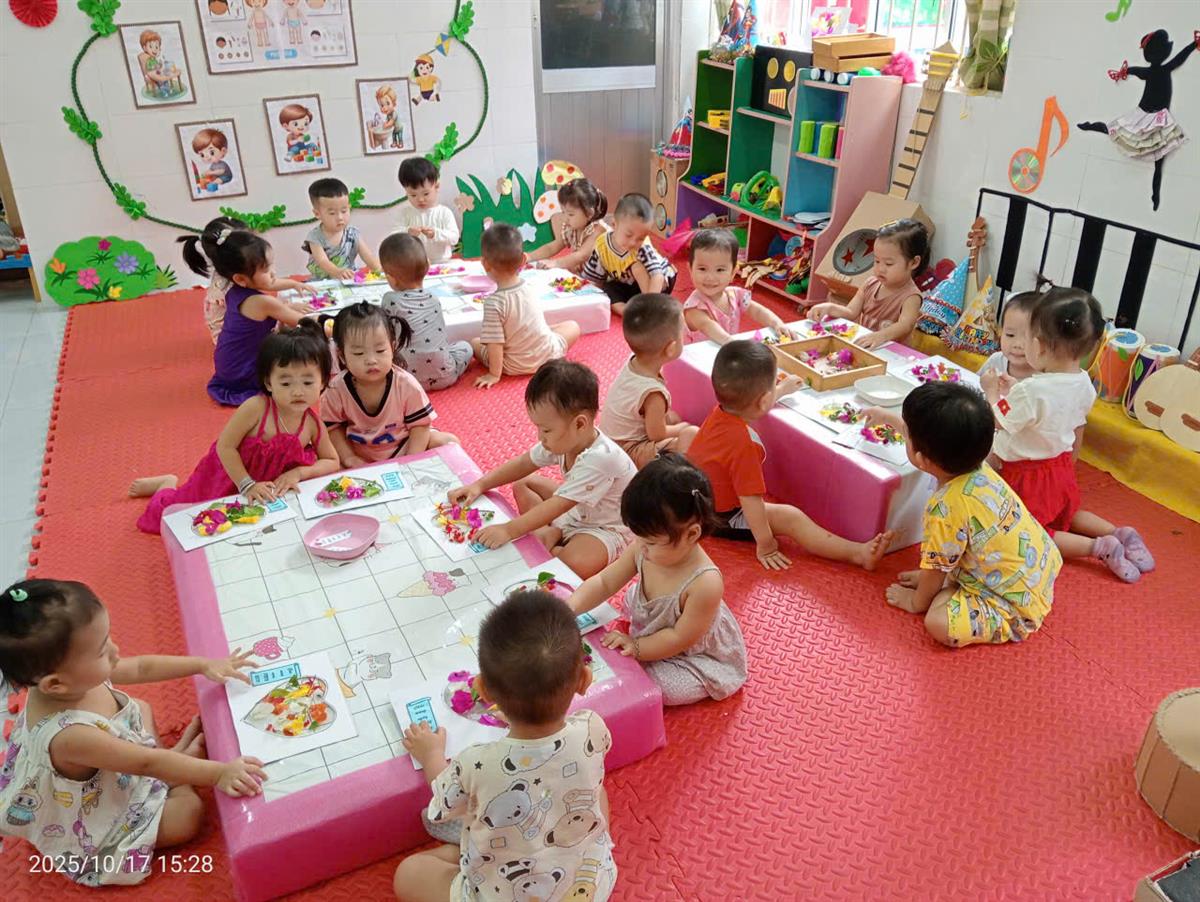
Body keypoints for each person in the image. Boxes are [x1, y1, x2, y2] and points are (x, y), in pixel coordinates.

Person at [0, 579, 266, 886]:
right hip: (98, 809)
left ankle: (175, 766)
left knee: (140, 707)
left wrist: (203, 665)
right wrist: (219, 773)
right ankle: (178, 780)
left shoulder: (69, 677)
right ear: (55, 684)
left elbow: (141, 668)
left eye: (108, 638)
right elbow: (146, 763)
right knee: (188, 814)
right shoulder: (70, 737)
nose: (115, 651)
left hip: (117, 764)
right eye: (102, 650)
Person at [394, 589, 616, 902]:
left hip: (500, 892)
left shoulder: (475, 763)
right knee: (596, 789)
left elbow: (443, 802)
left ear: (483, 691)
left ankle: (465, 855)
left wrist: (431, 754)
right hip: (587, 887)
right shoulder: (592, 727)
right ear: (584, 679)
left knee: (409, 873)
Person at [866, 383, 1063, 646]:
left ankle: (952, 591)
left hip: (1011, 605)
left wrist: (917, 601)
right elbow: (924, 441)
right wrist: (886, 417)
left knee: (938, 623)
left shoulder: (945, 508)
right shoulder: (977, 463)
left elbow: (936, 567)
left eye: (906, 433)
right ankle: (951, 584)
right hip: (1037, 569)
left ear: (922, 459)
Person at [980, 287, 1154, 582]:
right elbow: (1052, 412)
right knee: (1068, 513)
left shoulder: (1031, 390)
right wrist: (1014, 393)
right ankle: (1119, 532)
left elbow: (999, 420)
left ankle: (1099, 547)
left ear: (1039, 345)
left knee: (1030, 529)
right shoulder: (1083, 382)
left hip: (1025, 474)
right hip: (1059, 467)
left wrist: (992, 392)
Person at [688, 340, 893, 571]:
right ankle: (857, 554)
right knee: (791, 518)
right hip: (720, 517)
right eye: (774, 385)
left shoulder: (722, 412)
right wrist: (765, 543)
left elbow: (753, 406)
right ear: (763, 400)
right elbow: (750, 500)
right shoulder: (744, 444)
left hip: (700, 502)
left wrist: (781, 390)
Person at [568, 454, 746, 705]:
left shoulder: (705, 584)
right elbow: (605, 582)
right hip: (658, 620)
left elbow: (678, 637)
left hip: (689, 651)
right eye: (638, 537)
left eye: (651, 542)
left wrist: (636, 646)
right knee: (631, 603)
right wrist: (570, 608)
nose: (641, 546)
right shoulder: (644, 546)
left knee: (662, 688)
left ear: (691, 534)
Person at [130, 322, 339, 533]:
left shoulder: (312, 423)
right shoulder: (256, 408)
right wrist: (246, 484)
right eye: (285, 384)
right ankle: (166, 484)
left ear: (322, 382)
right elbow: (225, 446)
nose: (297, 392)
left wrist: (299, 473)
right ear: (269, 383)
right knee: (178, 518)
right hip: (229, 477)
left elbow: (332, 461)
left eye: (307, 382)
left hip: (266, 492)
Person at [448, 360, 636, 579]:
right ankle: (548, 533)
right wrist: (480, 485)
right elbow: (524, 463)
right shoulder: (566, 440)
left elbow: (558, 505)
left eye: (546, 430)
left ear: (580, 424)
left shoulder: (602, 458)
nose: (540, 437)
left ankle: (550, 539)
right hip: (575, 509)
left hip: (605, 527)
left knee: (572, 565)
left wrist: (508, 530)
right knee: (524, 483)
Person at [179, 225, 315, 405]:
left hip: (228, 368)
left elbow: (271, 290)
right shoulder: (262, 302)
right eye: (265, 269)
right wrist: (334, 321)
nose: (273, 272)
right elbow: (305, 322)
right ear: (241, 279)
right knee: (301, 352)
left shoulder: (233, 291)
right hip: (242, 374)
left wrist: (289, 298)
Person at [321, 303, 458, 467]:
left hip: (405, 445)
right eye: (359, 353)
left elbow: (420, 427)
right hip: (359, 452)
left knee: (447, 442)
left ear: (392, 348)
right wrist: (349, 458)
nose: (371, 360)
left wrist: (411, 460)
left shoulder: (406, 384)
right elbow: (332, 428)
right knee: (323, 461)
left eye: (380, 351)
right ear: (342, 356)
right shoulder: (336, 388)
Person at [472, 223, 581, 389]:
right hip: (547, 356)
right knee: (573, 326)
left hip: (514, 365)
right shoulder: (530, 286)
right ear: (524, 259)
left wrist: (494, 374)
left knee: (475, 343)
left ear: (485, 264)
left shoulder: (493, 303)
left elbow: (495, 343)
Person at [598, 292, 698, 468]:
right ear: (671, 348)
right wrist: (681, 429)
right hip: (626, 453)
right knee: (691, 434)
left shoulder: (634, 362)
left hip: (607, 442)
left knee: (672, 417)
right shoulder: (653, 393)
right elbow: (657, 435)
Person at [180, 217, 313, 346]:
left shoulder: (233, 274)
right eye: (266, 268)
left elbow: (270, 283)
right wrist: (287, 308)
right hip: (232, 340)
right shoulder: (236, 294)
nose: (274, 272)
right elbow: (301, 322)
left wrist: (294, 284)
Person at [808, 218, 929, 350]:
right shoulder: (870, 284)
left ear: (913, 262)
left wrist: (880, 336)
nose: (880, 269)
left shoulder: (911, 296)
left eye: (888, 264)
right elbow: (850, 312)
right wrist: (829, 308)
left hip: (891, 353)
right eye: (876, 261)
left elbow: (905, 325)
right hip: (866, 347)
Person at [378, 233, 472, 391]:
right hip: (446, 376)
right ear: (428, 266)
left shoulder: (390, 300)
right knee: (465, 346)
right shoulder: (434, 298)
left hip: (407, 380)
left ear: (391, 279)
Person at [682, 228, 788, 344]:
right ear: (690, 270)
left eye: (720, 270)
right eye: (702, 269)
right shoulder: (694, 307)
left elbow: (757, 311)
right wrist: (734, 345)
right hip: (701, 355)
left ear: (733, 273)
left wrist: (777, 323)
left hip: (727, 350)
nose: (710, 277)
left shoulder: (735, 295)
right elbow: (707, 326)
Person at [580, 193, 676, 315]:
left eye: (641, 238)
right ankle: (628, 311)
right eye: (628, 235)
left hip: (658, 283)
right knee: (607, 288)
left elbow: (657, 276)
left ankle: (649, 307)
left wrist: (651, 303)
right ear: (614, 225)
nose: (633, 242)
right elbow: (593, 279)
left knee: (636, 267)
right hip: (629, 284)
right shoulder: (602, 245)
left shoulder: (643, 247)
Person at [302, 177, 382, 280]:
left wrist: (380, 270)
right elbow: (322, 261)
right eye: (332, 213)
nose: (340, 217)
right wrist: (338, 272)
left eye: (344, 211)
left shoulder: (353, 233)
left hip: (349, 279)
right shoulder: (315, 237)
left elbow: (368, 257)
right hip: (323, 282)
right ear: (317, 214)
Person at [527, 178, 611, 274]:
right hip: (585, 274)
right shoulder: (572, 228)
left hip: (608, 279)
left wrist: (555, 263)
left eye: (571, 214)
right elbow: (551, 247)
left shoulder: (598, 230)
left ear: (589, 213)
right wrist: (529, 256)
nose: (565, 218)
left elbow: (581, 255)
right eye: (563, 212)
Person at [393, 157, 459, 262]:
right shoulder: (405, 213)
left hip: (442, 262)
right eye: (413, 195)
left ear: (436, 186)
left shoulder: (444, 212)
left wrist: (435, 234)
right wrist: (407, 232)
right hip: (414, 263)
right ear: (406, 191)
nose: (420, 199)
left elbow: (454, 238)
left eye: (426, 194)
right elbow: (394, 238)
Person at [977, 288, 1042, 383]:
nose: (1017, 345)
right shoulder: (996, 361)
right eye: (1010, 335)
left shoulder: (1045, 380)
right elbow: (974, 384)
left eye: (1028, 338)